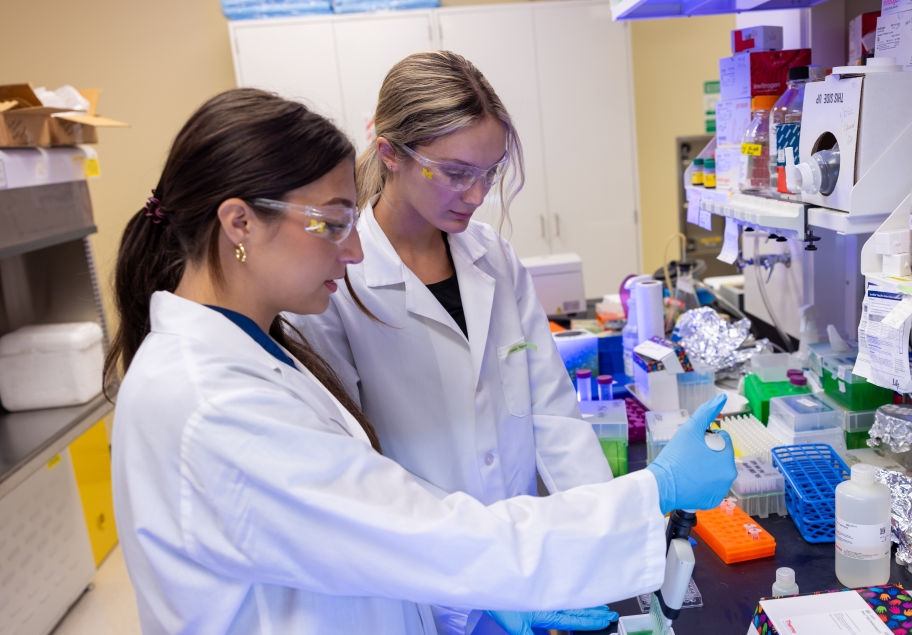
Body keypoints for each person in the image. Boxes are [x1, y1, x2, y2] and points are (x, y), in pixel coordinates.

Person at [107, 87, 737, 635]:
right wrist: (651, 491)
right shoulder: (214, 404)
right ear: (239, 223)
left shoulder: (252, 354)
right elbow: (419, 533)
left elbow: (380, 537)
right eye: (330, 224)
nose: (353, 251)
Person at [289, 53, 615, 631]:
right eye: (458, 172)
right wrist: (477, 578)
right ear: (390, 153)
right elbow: (357, 470)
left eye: (489, 173)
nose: (477, 194)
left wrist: (604, 541)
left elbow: (554, 414)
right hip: (426, 581)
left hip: (523, 565)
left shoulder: (493, 256)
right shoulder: (337, 283)